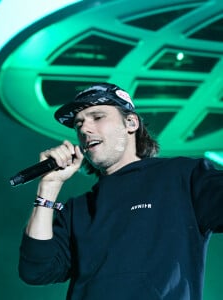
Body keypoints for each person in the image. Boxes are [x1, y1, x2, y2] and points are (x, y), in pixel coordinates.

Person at [18, 82, 223, 300]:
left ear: (131, 122)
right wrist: (48, 187)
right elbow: (35, 270)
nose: (84, 129)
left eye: (97, 117)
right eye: (79, 124)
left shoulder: (182, 176)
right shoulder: (77, 210)